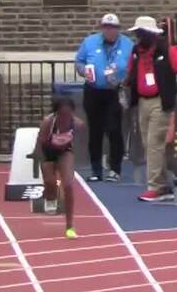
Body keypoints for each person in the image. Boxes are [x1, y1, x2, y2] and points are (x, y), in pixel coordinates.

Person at [124, 15, 177, 202]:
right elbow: (130, 72)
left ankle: (155, 186)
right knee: (150, 145)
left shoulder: (168, 50)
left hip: (160, 101)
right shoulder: (135, 51)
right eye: (137, 33)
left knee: (154, 144)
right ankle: (163, 185)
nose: (139, 36)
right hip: (142, 101)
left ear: (151, 33)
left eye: (141, 33)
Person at [75, 13, 132, 182]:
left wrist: (125, 79)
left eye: (113, 28)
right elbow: (79, 62)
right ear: (101, 28)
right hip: (93, 90)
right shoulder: (90, 42)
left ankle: (115, 169)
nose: (109, 31)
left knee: (114, 129)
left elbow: (132, 66)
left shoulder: (127, 44)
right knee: (95, 131)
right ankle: (96, 169)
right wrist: (83, 71)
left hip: (115, 91)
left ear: (118, 29)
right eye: (106, 27)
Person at [35, 96, 84, 239]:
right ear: (56, 113)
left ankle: (69, 226)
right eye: (62, 115)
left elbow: (79, 140)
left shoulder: (77, 124)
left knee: (68, 184)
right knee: (50, 183)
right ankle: (50, 195)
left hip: (65, 152)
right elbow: (40, 144)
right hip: (47, 152)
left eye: (68, 115)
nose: (65, 118)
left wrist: (69, 149)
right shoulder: (47, 123)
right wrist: (39, 163)